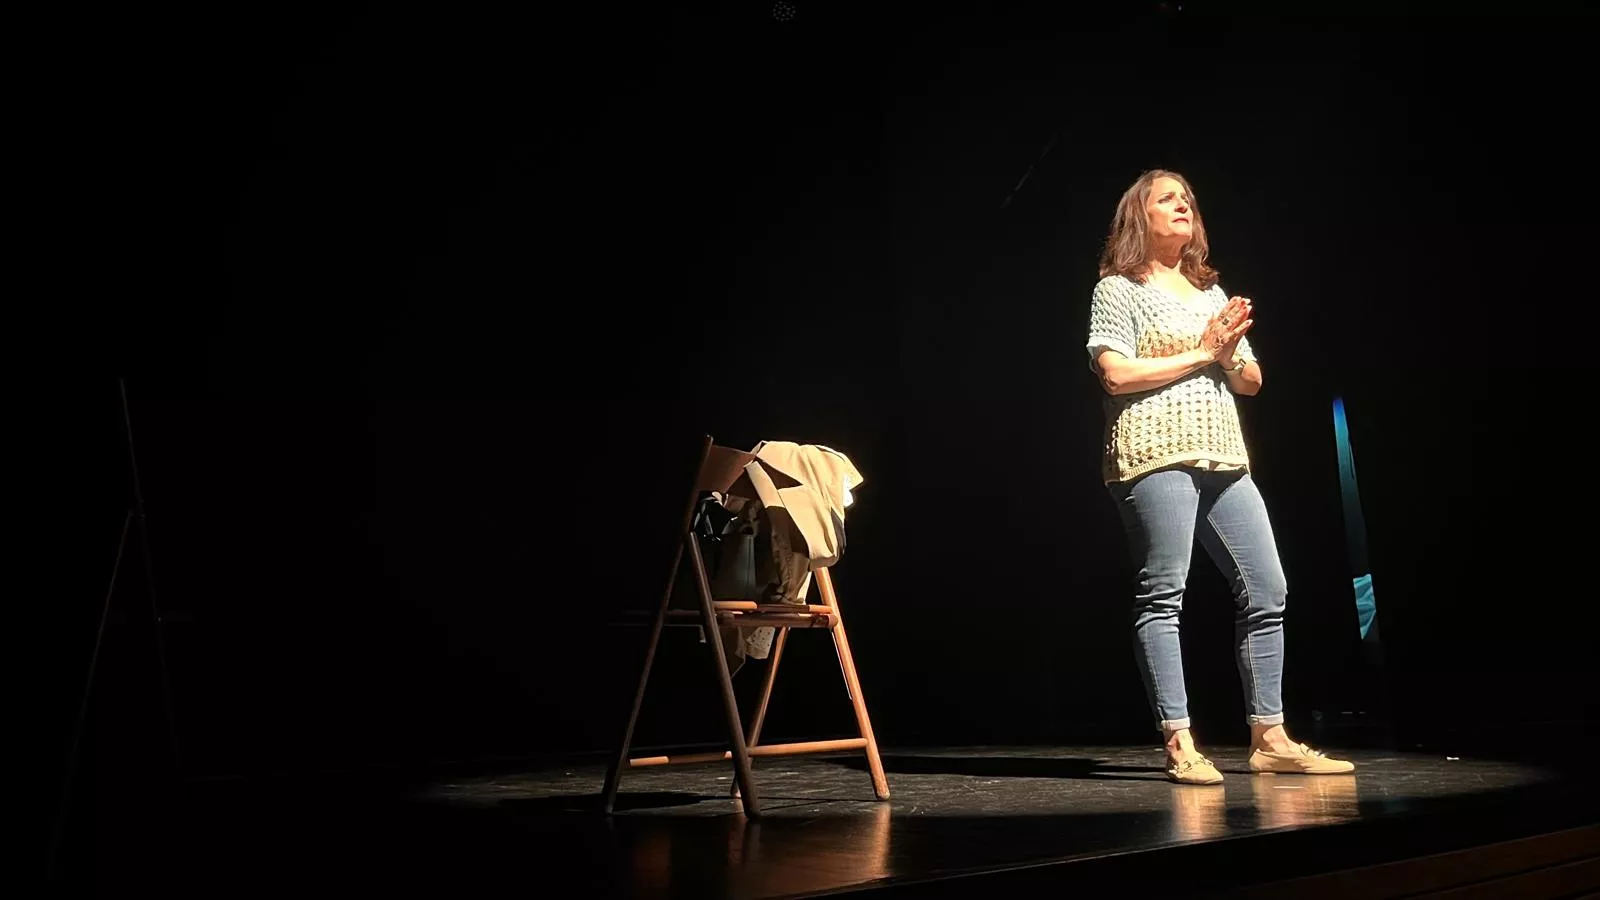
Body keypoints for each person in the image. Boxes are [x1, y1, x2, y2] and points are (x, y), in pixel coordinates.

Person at [1085, 169, 1355, 785]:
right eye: (1168, 199)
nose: (1183, 207)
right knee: (1164, 592)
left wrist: (1228, 349)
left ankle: (1270, 735)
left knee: (1268, 588)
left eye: (1188, 201)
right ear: (1140, 217)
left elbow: (1251, 381)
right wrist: (1206, 351)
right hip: (1154, 454)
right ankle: (1179, 739)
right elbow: (1116, 375)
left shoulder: (1211, 293)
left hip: (1225, 457)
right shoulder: (1117, 289)